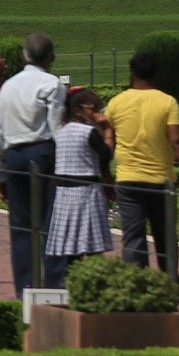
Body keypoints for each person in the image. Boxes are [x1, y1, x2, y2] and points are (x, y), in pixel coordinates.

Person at [101, 51, 179, 273]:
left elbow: (106, 145)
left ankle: (137, 289)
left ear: (132, 73)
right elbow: (177, 141)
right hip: (161, 180)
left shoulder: (116, 102)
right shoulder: (167, 102)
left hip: (128, 179)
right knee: (165, 239)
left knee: (133, 239)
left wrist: (106, 177)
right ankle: (170, 286)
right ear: (156, 74)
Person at [0, 32, 69, 295]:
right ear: (52, 58)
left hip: (14, 155)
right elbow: (56, 127)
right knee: (51, 224)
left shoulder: (8, 85)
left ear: (24, 56)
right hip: (42, 153)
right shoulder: (53, 84)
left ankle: (24, 288)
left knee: (21, 227)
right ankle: (53, 286)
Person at [48, 87, 113, 266]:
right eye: (93, 108)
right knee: (92, 244)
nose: (96, 113)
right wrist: (107, 131)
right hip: (87, 192)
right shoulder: (88, 132)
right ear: (77, 110)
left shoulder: (60, 132)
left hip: (64, 194)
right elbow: (105, 155)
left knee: (70, 245)